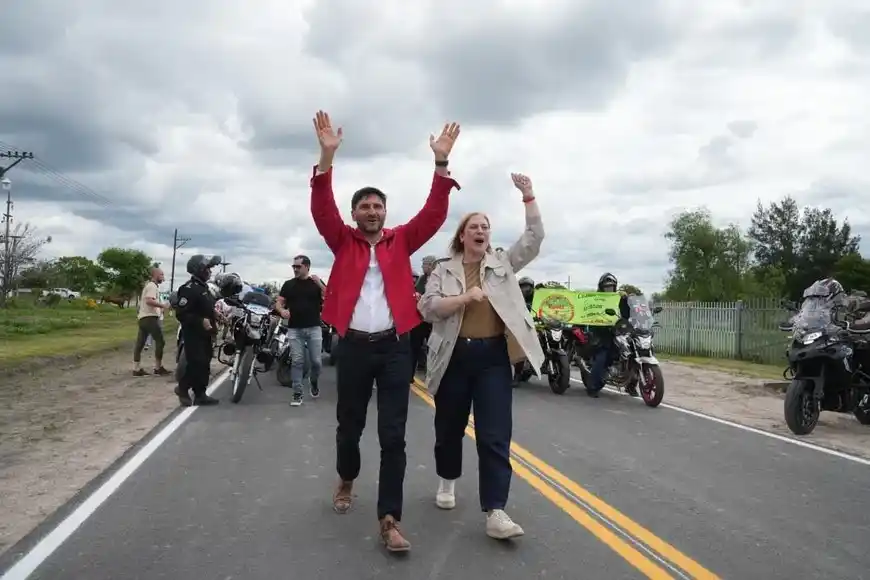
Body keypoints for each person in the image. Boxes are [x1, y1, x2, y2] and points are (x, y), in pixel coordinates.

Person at [310, 109, 461, 552]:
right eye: (365, 206)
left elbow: (434, 214)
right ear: (355, 213)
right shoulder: (342, 239)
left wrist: (440, 165)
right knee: (349, 428)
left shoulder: (402, 240)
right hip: (353, 348)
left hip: (396, 348)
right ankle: (346, 478)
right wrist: (326, 157)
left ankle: (389, 519)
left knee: (393, 435)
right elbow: (321, 207)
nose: (372, 211)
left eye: (378, 206)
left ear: (385, 213)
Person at [418, 172, 545, 540]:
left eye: (486, 227)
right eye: (475, 226)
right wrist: (463, 298)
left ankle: (496, 510)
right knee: (448, 431)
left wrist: (528, 196)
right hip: (454, 357)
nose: (481, 231)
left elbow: (534, 240)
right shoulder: (443, 269)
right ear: (463, 234)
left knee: (494, 435)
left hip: (492, 358)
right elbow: (428, 308)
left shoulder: (502, 264)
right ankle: (447, 480)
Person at [276, 255, 326, 406]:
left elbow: (330, 296)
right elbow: (279, 302)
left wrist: (320, 284)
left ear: (307, 267)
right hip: (295, 329)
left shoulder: (315, 283)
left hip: (314, 328)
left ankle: (314, 381)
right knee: (297, 361)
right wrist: (281, 311)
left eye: (298, 267)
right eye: (294, 267)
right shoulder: (288, 284)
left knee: (316, 362)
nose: (295, 269)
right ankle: (297, 393)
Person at [173, 255, 222, 407]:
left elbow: (206, 307)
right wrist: (200, 321)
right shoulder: (189, 289)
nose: (209, 271)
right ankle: (182, 389)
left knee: (205, 363)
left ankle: (200, 394)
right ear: (198, 270)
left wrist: (216, 315)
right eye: (206, 268)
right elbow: (181, 313)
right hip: (193, 333)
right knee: (196, 363)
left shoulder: (203, 287)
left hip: (206, 333)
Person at [586, 272, 632, 398]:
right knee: (603, 357)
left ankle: (631, 385)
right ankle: (593, 387)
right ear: (601, 287)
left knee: (632, 351)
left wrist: (625, 300)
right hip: (601, 334)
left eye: (611, 287)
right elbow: (590, 314)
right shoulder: (595, 299)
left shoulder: (618, 298)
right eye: (606, 287)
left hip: (618, 332)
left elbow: (626, 315)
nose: (609, 289)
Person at [133, 267, 172, 377]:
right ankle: (158, 368)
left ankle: (136, 368)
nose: (163, 278)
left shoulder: (149, 286)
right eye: (161, 275)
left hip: (143, 318)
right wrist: (163, 305)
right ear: (155, 275)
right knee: (160, 341)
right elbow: (149, 300)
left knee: (140, 344)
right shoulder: (152, 286)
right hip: (150, 318)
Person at [409, 255, 438, 382]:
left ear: (431, 265)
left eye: (424, 265)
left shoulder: (438, 279)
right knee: (413, 348)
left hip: (433, 321)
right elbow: (416, 293)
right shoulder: (422, 279)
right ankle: (409, 375)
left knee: (433, 350)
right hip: (420, 320)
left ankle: (431, 377)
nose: (423, 267)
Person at [511, 276, 536, 386]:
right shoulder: (515, 298)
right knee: (520, 348)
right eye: (523, 286)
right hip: (522, 325)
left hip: (537, 324)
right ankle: (517, 375)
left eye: (528, 286)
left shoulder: (536, 298)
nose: (526, 289)